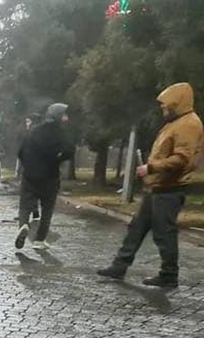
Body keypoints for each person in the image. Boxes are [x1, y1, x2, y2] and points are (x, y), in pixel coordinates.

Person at [97, 83, 203, 288]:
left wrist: (151, 167)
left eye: (165, 106)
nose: (163, 110)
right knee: (136, 228)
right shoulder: (175, 122)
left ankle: (169, 274)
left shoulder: (188, 124)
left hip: (170, 188)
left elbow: (182, 159)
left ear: (176, 104)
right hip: (158, 186)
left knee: (165, 233)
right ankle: (119, 266)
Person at [14, 103, 74, 251]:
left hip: (30, 175)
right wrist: (57, 159)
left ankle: (23, 225)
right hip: (50, 177)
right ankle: (39, 240)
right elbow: (70, 150)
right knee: (47, 209)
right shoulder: (61, 133)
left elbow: (20, 151)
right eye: (64, 115)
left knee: (25, 205)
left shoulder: (34, 131)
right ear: (59, 116)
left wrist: (27, 165)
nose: (67, 118)